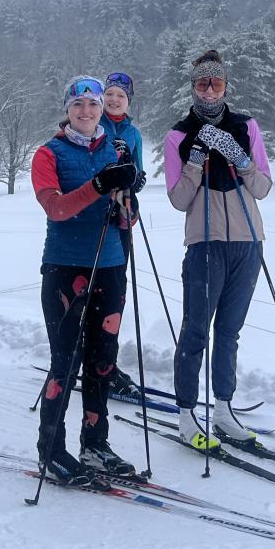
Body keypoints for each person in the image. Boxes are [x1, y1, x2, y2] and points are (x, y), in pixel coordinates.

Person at [163, 50, 273, 449]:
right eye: (202, 83)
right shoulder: (178, 134)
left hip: (247, 242)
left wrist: (239, 158)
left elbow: (262, 187)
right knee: (196, 331)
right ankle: (186, 413)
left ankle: (224, 409)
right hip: (205, 242)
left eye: (217, 83)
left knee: (229, 331)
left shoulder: (246, 126)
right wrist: (195, 161)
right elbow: (178, 199)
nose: (210, 91)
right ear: (192, 87)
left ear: (226, 85)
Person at [31, 76, 139, 483]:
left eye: (93, 105)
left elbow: (128, 217)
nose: (87, 111)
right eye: (78, 105)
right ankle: (51, 449)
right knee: (66, 361)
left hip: (110, 264)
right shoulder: (48, 153)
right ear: (67, 110)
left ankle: (95, 443)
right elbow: (55, 208)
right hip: (65, 268)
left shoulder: (114, 149)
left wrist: (127, 203)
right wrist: (98, 186)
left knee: (102, 361)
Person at [98, 71, 148, 400]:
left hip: (122, 220)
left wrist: (133, 176)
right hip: (93, 219)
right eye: (110, 94)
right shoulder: (92, 123)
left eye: (121, 95)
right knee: (86, 290)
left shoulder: (133, 133)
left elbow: (140, 173)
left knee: (115, 292)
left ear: (129, 101)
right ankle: (83, 356)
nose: (115, 99)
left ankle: (106, 364)